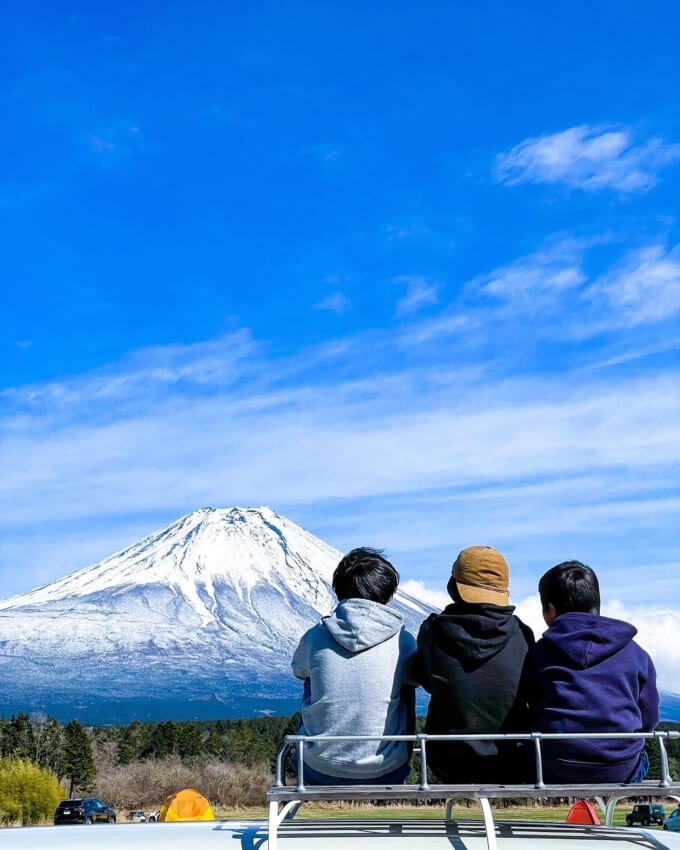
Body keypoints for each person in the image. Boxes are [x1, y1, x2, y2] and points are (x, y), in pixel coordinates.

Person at [291, 547, 417, 784]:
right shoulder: (403, 641)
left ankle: (319, 747)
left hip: (319, 766)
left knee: (310, 677)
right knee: (407, 682)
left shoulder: (315, 636)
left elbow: (298, 670)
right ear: (387, 592)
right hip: (386, 767)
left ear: (339, 589)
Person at [531, 560, 659, 783]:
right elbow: (649, 720)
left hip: (553, 767)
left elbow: (530, 707)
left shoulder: (539, 652)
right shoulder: (636, 653)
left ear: (550, 610)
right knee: (642, 758)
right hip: (621, 769)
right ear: (596, 603)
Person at [415, 546, 535, 783]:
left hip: (447, 763)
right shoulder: (523, 635)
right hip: (511, 762)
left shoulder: (432, 632)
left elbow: (426, 681)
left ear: (454, 588)